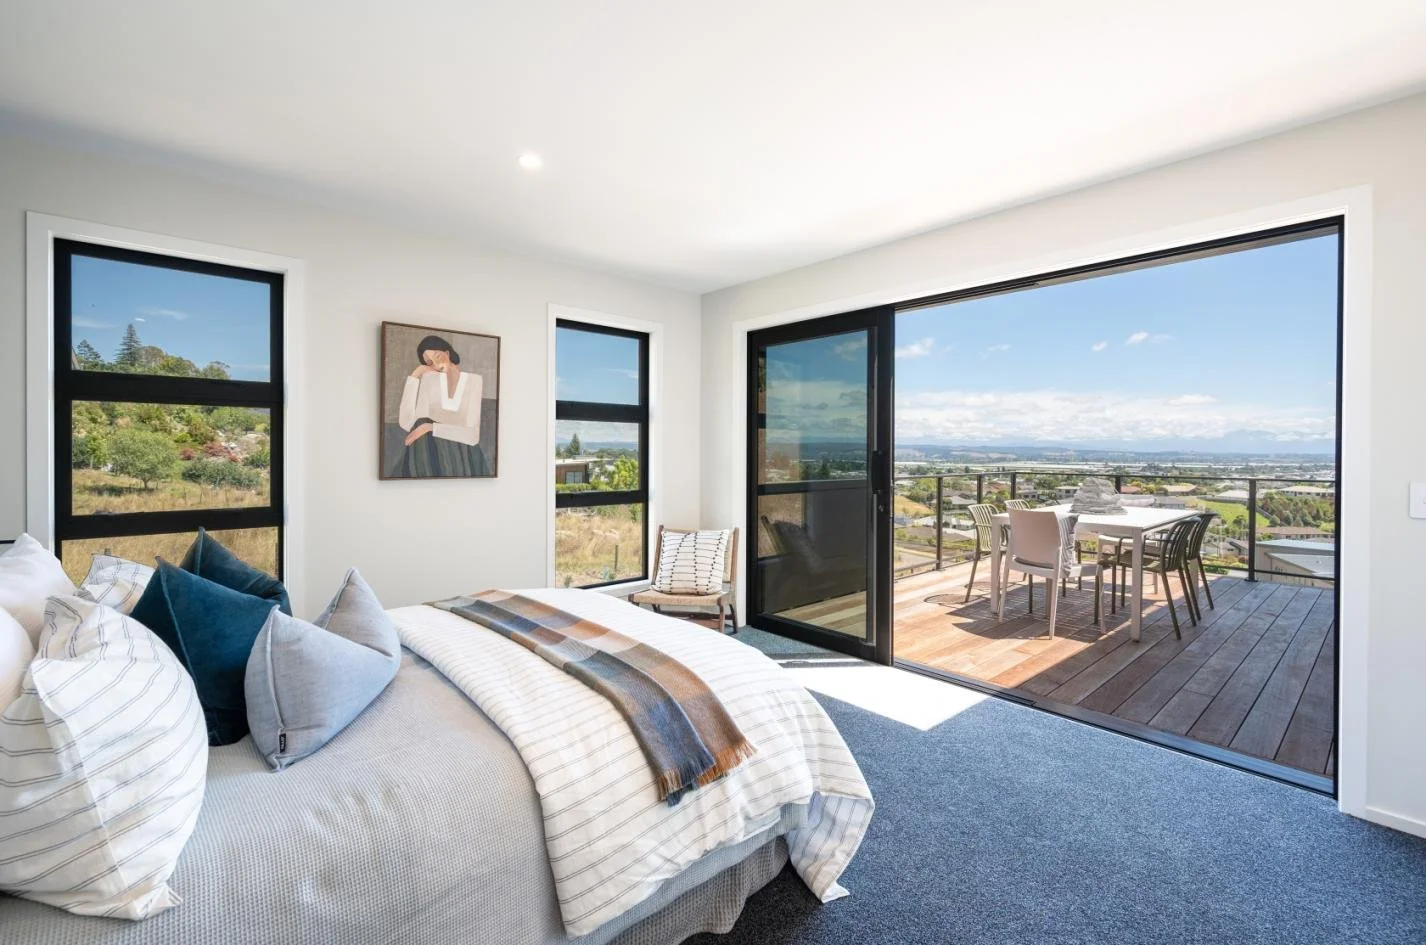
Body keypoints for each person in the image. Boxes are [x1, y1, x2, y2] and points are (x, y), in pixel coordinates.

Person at [395, 335, 489, 477]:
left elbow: (472, 436)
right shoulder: (430, 381)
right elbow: (407, 422)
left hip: (463, 453)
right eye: (429, 363)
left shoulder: (474, 381)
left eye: (437, 357)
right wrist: (415, 375)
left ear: (447, 353)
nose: (435, 365)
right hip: (432, 451)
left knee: (425, 424)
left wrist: (431, 428)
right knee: (422, 422)